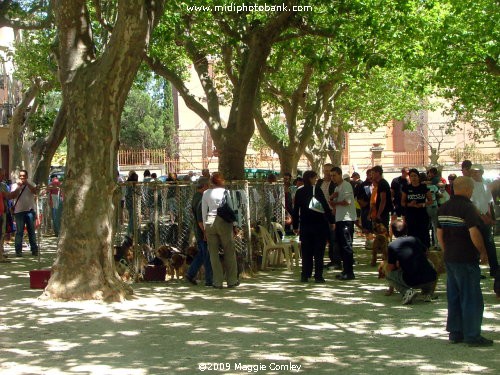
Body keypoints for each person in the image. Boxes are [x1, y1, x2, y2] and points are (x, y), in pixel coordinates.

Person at [437, 176, 493, 346]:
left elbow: (439, 233)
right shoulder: (468, 208)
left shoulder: (444, 207)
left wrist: (446, 250)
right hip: (466, 257)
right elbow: (473, 232)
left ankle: (456, 332)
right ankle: (472, 335)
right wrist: (483, 251)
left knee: (454, 295)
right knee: (472, 297)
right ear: (468, 189)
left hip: (450, 257)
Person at [292, 170, 335, 283]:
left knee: (306, 252)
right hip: (319, 225)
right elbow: (325, 206)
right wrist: (332, 221)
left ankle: (305, 275)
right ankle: (318, 276)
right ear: (311, 178)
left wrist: (295, 225)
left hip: (305, 226)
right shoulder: (317, 190)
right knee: (318, 252)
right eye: (315, 178)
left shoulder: (299, 192)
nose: (316, 180)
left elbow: (296, 210)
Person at [383, 220, 438, 305]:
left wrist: (399, 265)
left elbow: (390, 267)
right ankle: (428, 293)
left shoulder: (392, 245)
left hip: (412, 281)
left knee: (388, 274)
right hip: (431, 277)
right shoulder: (415, 239)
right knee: (429, 263)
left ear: (393, 232)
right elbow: (426, 252)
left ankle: (406, 292)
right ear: (406, 230)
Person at [201, 172, 238, 289]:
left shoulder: (206, 193)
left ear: (211, 182)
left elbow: (203, 211)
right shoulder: (225, 192)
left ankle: (217, 281)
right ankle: (231, 280)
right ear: (221, 181)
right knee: (229, 251)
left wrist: (205, 230)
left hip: (210, 220)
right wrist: (235, 224)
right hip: (223, 220)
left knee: (213, 253)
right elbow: (231, 208)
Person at [470, 165, 498, 279]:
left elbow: (489, 202)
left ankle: (495, 269)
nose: (475, 174)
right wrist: (482, 216)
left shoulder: (485, 184)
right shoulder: (470, 184)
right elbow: (471, 204)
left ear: (481, 172)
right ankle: (476, 271)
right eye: (473, 172)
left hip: (485, 218)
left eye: (477, 172)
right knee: (475, 245)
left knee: (489, 243)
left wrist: (490, 217)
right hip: (474, 218)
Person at [185, 177, 213, 286]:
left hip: (199, 230)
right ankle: (209, 279)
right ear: (205, 186)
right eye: (209, 186)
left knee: (202, 254)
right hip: (202, 231)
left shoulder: (197, 197)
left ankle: (191, 274)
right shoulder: (201, 199)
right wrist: (205, 232)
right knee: (207, 255)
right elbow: (200, 219)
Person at [331, 167, 357, 280]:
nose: (332, 178)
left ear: (340, 175)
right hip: (339, 219)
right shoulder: (337, 187)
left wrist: (335, 203)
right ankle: (345, 270)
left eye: (334, 175)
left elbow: (347, 202)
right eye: (331, 175)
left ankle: (349, 272)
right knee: (341, 246)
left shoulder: (346, 185)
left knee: (347, 245)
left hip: (347, 219)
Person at [316, 163, 341, 270]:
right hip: (321, 213)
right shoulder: (320, 182)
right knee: (323, 237)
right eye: (325, 170)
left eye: (329, 171)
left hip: (332, 213)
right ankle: (325, 260)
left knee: (333, 238)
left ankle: (336, 261)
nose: (327, 173)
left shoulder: (335, 184)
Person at [401, 169, 432, 249]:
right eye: (411, 176)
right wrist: (410, 204)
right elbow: (402, 203)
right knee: (411, 234)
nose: (414, 178)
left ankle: (425, 251)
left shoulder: (423, 187)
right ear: (409, 178)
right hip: (411, 215)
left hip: (422, 215)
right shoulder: (406, 188)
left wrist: (423, 204)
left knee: (424, 234)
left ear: (418, 177)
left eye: (415, 176)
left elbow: (431, 201)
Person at [11, 170, 39, 257]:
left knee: (31, 231)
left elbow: (35, 192)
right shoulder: (15, 185)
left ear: (27, 176)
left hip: (30, 211)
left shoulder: (32, 184)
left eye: (24, 176)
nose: (22, 177)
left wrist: (27, 184)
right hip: (19, 212)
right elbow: (13, 196)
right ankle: (18, 251)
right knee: (19, 232)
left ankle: (34, 250)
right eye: (21, 176)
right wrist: (19, 187)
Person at [370, 165, 392, 230]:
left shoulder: (382, 183)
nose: (372, 175)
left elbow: (383, 200)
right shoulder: (380, 183)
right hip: (382, 211)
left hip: (383, 212)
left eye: (373, 173)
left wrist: (379, 214)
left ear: (378, 173)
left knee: (383, 230)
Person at [125, 171, 139, 236]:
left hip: (129, 202)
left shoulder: (128, 183)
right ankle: (129, 233)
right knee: (132, 219)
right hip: (131, 202)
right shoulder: (131, 184)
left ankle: (131, 232)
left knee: (132, 218)